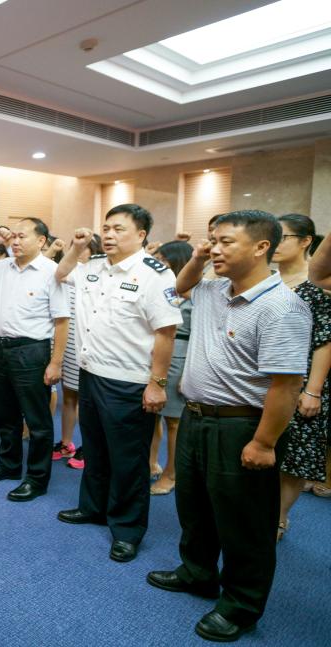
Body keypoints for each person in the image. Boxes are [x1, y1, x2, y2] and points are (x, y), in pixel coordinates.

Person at [148, 210, 311, 643]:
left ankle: (241, 606)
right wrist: (199, 256)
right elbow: (179, 287)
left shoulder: (282, 307)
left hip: (243, 426)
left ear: (261, 247)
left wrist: (264, 442)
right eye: (212, 240)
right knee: (195, 507)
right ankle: (197, 572)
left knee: (244, 524)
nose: (215, 249)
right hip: (197, 417)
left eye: (225, 242)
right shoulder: (213, 289)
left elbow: (286, 385)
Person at [54, 204, 181, 563]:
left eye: (119, 229)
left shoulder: (155, 275)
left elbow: (166, 333)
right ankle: (93, 507)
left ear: (141, 235)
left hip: (129, 382)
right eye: (106, 228)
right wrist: (78, 246)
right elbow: (61, 273)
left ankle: (127, 529)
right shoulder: (93, 266)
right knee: (95, 449)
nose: (109, 234)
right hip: (91, 374)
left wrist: (157, 384)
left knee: (128, 460)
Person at [0, 218, 69, 501]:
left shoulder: (52, 271)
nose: (16, 241)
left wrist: (56, 362)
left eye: (22, 236)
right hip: (0, 348)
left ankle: (36, 479)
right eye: (13, 236)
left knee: (37, 421)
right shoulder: (3, 266)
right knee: (6, 415)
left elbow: (62, 321)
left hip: (32, 351)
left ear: (41, 241)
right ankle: (9, 466)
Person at [271, 214, 330, 541]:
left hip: (304, 379)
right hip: (265, 377)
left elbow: (325, 339)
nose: (275, 244)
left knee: (295, 455)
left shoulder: (320, 284)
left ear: (306, 241)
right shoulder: (267, 279)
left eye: (283, 237)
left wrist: (313, 390)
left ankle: (279, 516)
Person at [148, 240, 194, 496]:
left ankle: (171, 473)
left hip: (180, 356)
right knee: (151, 415)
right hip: (153, 354)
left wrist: (188, 372)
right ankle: (150, 463)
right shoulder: (158, 287)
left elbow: (199, 336)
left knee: (174, 422)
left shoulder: (193, 293)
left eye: (163, 260)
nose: (157, 264)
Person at [55, 233, 103, 470]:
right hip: (67, 343)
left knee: (86, 401)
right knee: (68, 396)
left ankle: (89, 447)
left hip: (88, 345)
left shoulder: (97, 274)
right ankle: (66, 443)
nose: (78, 251)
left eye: (83, 248)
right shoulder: (69, 271)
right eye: (75, 247)